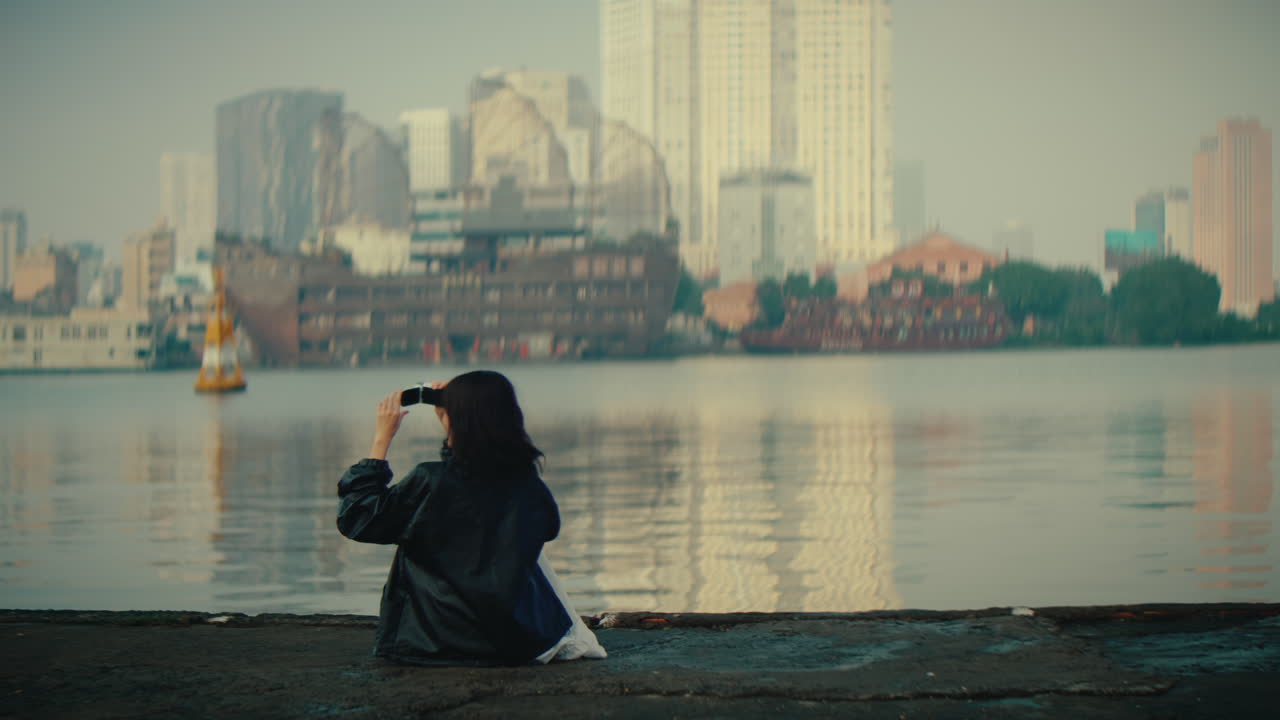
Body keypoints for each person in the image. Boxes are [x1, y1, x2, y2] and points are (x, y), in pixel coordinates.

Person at [336, 370, 606, 666]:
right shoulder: (526, 484)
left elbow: (359, 518)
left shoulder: (429, 480)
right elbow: (549, 528)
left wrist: (380, 441)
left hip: (430, 643)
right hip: (510, 643)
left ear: (456, 420)